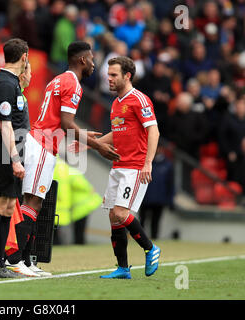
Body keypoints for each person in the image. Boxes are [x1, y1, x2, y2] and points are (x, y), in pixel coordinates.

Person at [6, 41, 120, 277]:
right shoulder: (73, 84)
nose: (93, 64)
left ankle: (25, 261)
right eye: (91, 59)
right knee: (32, 202)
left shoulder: (59, 79)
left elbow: (58, 122)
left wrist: (84, 136)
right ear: (82, 60)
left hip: (42, 142)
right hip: (42, 145)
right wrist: (98, 146)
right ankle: (15, 260)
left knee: (33, 203)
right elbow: (67, 124)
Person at [81, 56, 161, 279]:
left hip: (135, 167)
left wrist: (148, 163)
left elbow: (154, 131)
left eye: (114, 75)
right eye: (108, 75)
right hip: (118, 165)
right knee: (113, 217)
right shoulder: (116, 103)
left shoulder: (139, 100)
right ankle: (123, 268)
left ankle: (150, 248)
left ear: (127, 76)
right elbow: (118, 134)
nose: (109, 79)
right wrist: (90, 145)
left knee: (120, 213)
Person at [0, 38, 30, 279]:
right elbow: (5, 125)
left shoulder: (13, 83)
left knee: (9, 207)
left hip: (12, 153)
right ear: (24, 57)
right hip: (4, 153)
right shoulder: (3, 84)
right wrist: (14, 158)